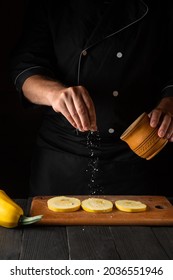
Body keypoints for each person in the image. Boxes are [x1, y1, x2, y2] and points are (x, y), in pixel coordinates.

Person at [11, 0, 173, 196]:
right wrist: (54, 94)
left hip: (138, 159)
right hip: (63, 158)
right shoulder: (50, 4)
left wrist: (169, 102)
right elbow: (25, 68)